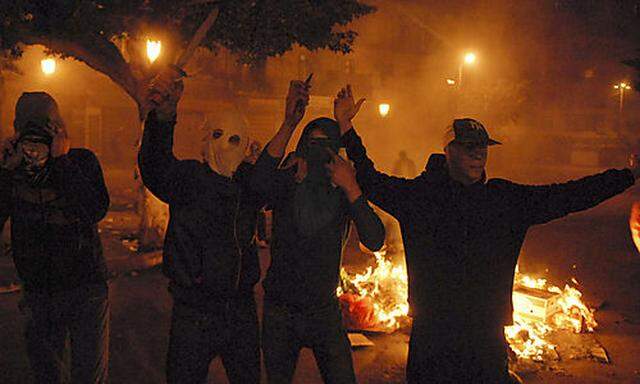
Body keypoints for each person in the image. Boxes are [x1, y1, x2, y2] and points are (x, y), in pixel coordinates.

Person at [335, 85, 640, 383]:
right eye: (469, 147)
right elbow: (370, 179)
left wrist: (628, 176)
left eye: (482, 147)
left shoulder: (504, 199)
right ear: (448, 151)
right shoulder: (419, 196)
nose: (479, 154)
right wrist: (346, 126)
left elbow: (570, 195)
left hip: (485, 339)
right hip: (432, 337)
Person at [250, 80, 385, 384]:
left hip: (323, 310)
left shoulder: (341, 189)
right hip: (280, 309)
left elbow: (375, 239)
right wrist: (289, 123)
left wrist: (351, 187)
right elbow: (257, 186)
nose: (318, 152)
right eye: (312, 143)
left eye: (326, 145)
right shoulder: (290, 178)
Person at [137, 69, 264, 384]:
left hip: (240, 310)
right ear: (205, 140)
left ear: (246, 145)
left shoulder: (250, 185)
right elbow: (155, 166)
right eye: (216, 135)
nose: (224, 146)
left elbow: (275, 185)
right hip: (194, 310)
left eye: (234, 139)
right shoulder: (188, 179)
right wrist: (164, 115)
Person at [0, 92, 110, 383]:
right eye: (29, 128)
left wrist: (61, 162)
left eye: (46, 126)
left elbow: (94, 209)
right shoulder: (11, 169)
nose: (36, 143)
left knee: (88, 375)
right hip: (40, 293)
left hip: (85, 289)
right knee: (47, 374)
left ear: (59, 127)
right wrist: (5, 173)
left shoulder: (80, 161)